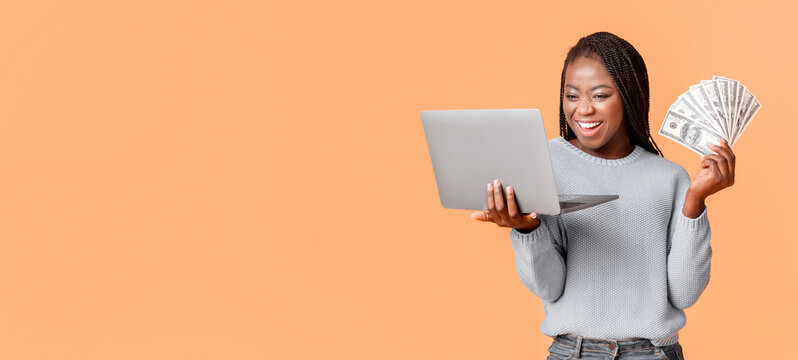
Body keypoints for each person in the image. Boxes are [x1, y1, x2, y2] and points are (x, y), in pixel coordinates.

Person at [470, 32, 735, 359]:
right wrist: (527, 230)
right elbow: (549, 287)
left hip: (654, 353)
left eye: (599, 95)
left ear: (628, 96)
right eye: (571, 95)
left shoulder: (670, 178)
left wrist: (695, 203)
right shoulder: (543, 163)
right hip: (574, 352)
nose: (583, 110)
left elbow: (684, 294)